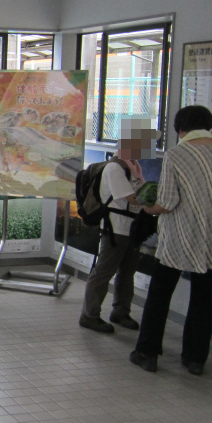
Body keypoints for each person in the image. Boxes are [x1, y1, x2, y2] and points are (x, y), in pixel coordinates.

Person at [130, 105, 212, 375]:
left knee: (160, 294)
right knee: (204, 298)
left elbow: (168, 203)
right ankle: (195, 359)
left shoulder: (177, 154)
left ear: (181, 130)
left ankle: (147, 352)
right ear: (209, 126)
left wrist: (147, 209)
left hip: (178, 238)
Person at [79, 117, 155, 334]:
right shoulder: (115, 168)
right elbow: (132, 198)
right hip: (116, 228)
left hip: (130, 228)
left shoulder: (133, 167)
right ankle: (89, 314)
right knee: (104, 271)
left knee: (127, 271)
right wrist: (157, 204)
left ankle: (121, 312)